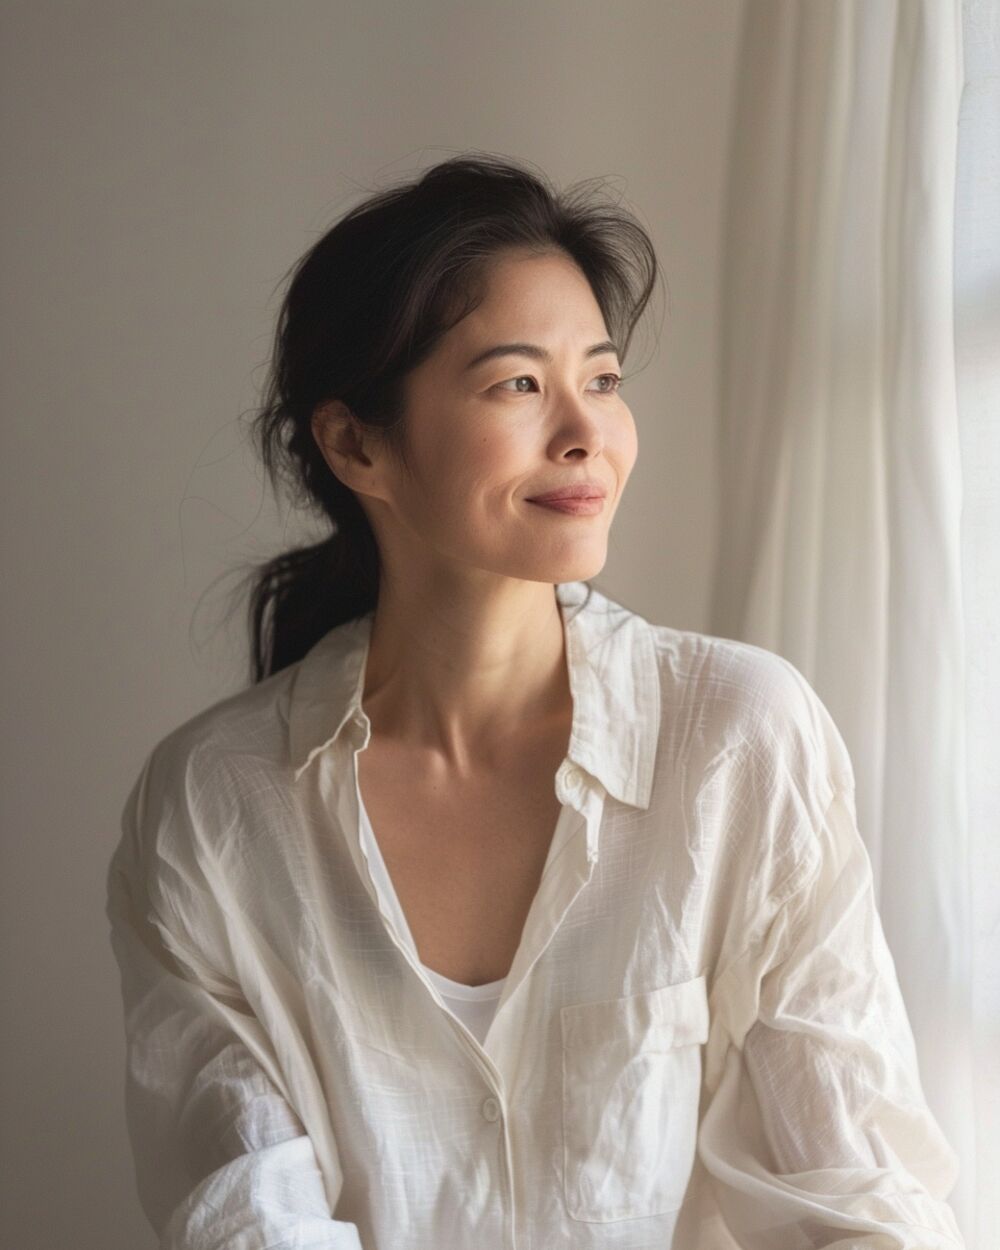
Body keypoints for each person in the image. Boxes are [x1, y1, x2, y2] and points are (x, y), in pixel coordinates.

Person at [105, 153, 965, 1249]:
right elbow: (244, 1215)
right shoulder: (215, 808)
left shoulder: (739, 736)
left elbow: (861, 1190)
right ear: (354, 441)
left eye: (601, 379)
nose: (586, 433)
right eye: (518, 383)